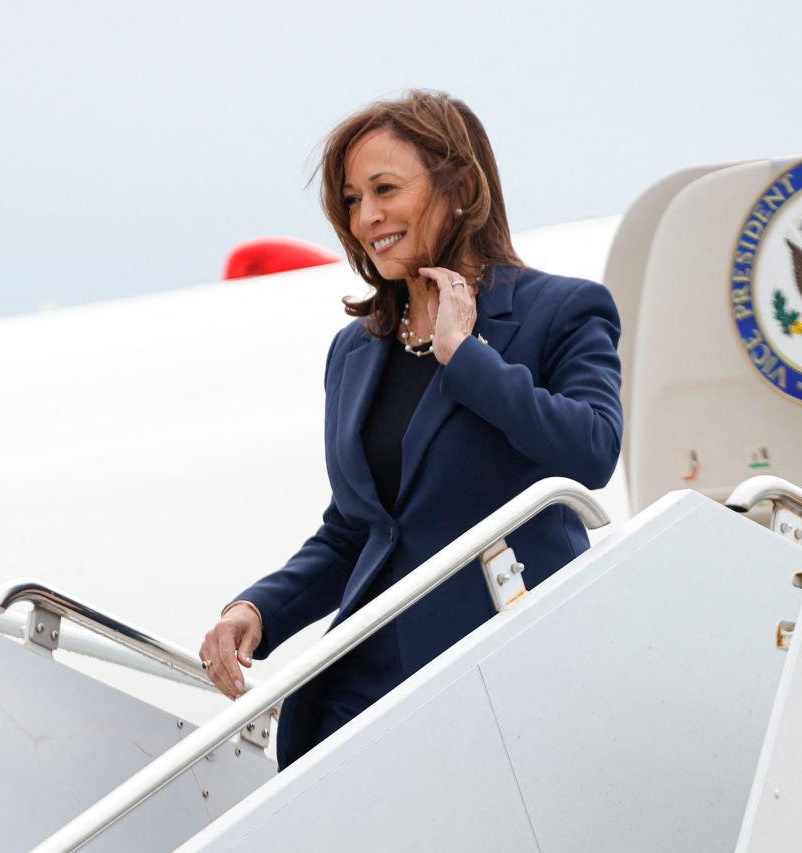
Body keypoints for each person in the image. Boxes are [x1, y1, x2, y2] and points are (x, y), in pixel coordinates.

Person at [199, 90, 623, 770]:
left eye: (385, 189)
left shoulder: (561, 310)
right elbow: (358, 528)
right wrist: (261, 608)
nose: (366, 217)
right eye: (350, 200)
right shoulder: (356, 349)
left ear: (459, 188)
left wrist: (468, 359)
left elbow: (593, 450)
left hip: (494, 677)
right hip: (359, 690)